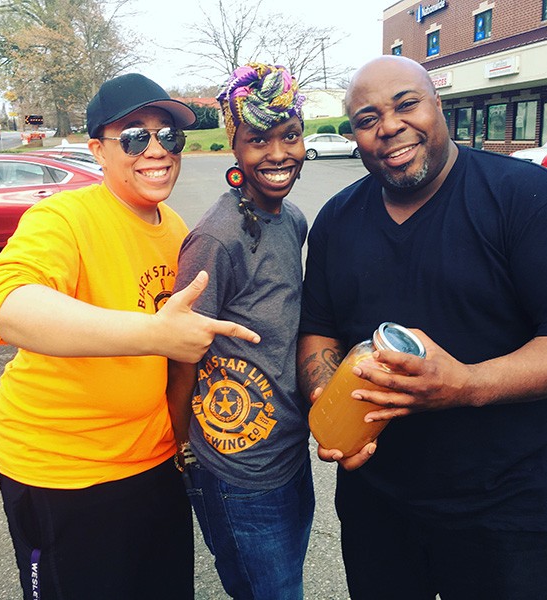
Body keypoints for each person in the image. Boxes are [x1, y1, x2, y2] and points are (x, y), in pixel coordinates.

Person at [297, 55, 547, 600]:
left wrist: (465, 385)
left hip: (507, 512)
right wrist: (327, 397)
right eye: (367, 118)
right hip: (377, 506)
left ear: (439, 105)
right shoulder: (338, 220)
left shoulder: (531, 200)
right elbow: (319, 329)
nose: (388, 126)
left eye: (406, 103)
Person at [0, 72, 260, 600]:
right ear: (98, 150)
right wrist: (155, 334)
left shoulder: (179, 230)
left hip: (153, 463)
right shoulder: (63, 216)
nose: (156, 149)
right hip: (64, 472)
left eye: (169, 135)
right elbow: (11, 307)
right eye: (135, 136)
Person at [167, 63, 313, 600]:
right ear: (235, 146)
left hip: (289, 452)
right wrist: (182, 448)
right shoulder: (217, 239)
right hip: (237, 469)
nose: (278, 154)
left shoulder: (291, 218)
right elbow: (180, 353)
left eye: (290, 135)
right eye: (259, 140)